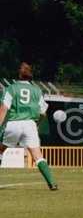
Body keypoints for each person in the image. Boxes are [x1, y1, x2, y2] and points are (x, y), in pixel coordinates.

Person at [0, 62, 58, 190]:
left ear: (19, 75)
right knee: (38, 156)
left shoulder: (11, 88)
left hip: (14, 123)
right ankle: (52, 183)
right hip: (30, 124)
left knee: (1, 150)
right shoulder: (37, 90)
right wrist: (37, 124)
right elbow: (43, 112)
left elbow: (4, 109)